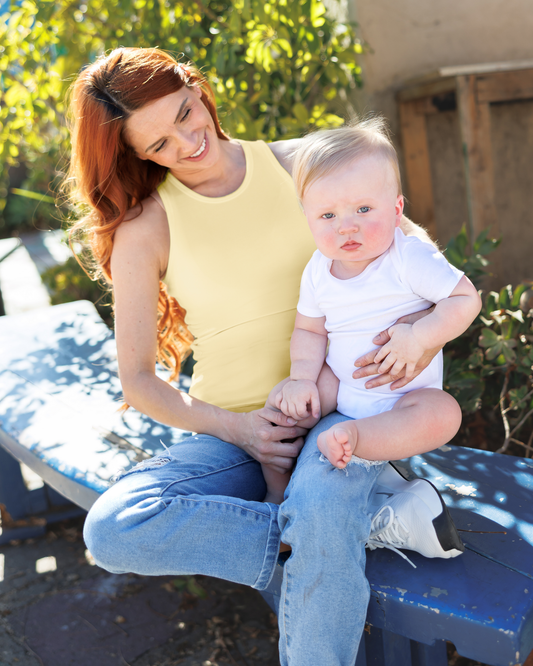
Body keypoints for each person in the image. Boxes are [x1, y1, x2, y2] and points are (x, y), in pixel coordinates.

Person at [71, 47, 462, 666]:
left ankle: (323, 525)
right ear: (136, 156)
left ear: (198, 90)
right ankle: (337, 528)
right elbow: (140, 382)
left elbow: (415, 254)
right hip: (231, 430)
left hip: (339, 408)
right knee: (116, 528)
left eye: (185, 112)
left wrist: (418, 329)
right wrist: (242, 431)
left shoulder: (300, 165)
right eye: (160, 145)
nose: (187, 142)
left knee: (322, 503)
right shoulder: (145, 227)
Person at [262, 121, 481, 507]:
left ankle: (359, 439)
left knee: (443, 414)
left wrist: (421, 336)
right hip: (342, 386)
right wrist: (301, 378)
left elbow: (465, 299)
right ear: (307, 218)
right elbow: (310, 331)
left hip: (408, 396)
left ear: (397, 209)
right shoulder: (317, 270)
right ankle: (276, 487)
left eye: (364, 208)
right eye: (327, 216)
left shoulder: (408, 256)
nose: (347, 226)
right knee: (284, 406)